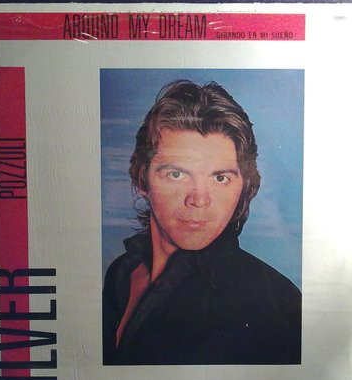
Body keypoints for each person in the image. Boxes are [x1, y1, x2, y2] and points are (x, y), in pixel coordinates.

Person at [103, 80, 301, 365]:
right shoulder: (121, 271)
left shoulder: (277, 304)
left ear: (244, 186)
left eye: (220, 178)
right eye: (176, 174)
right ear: (142, 179)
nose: (198, 199)